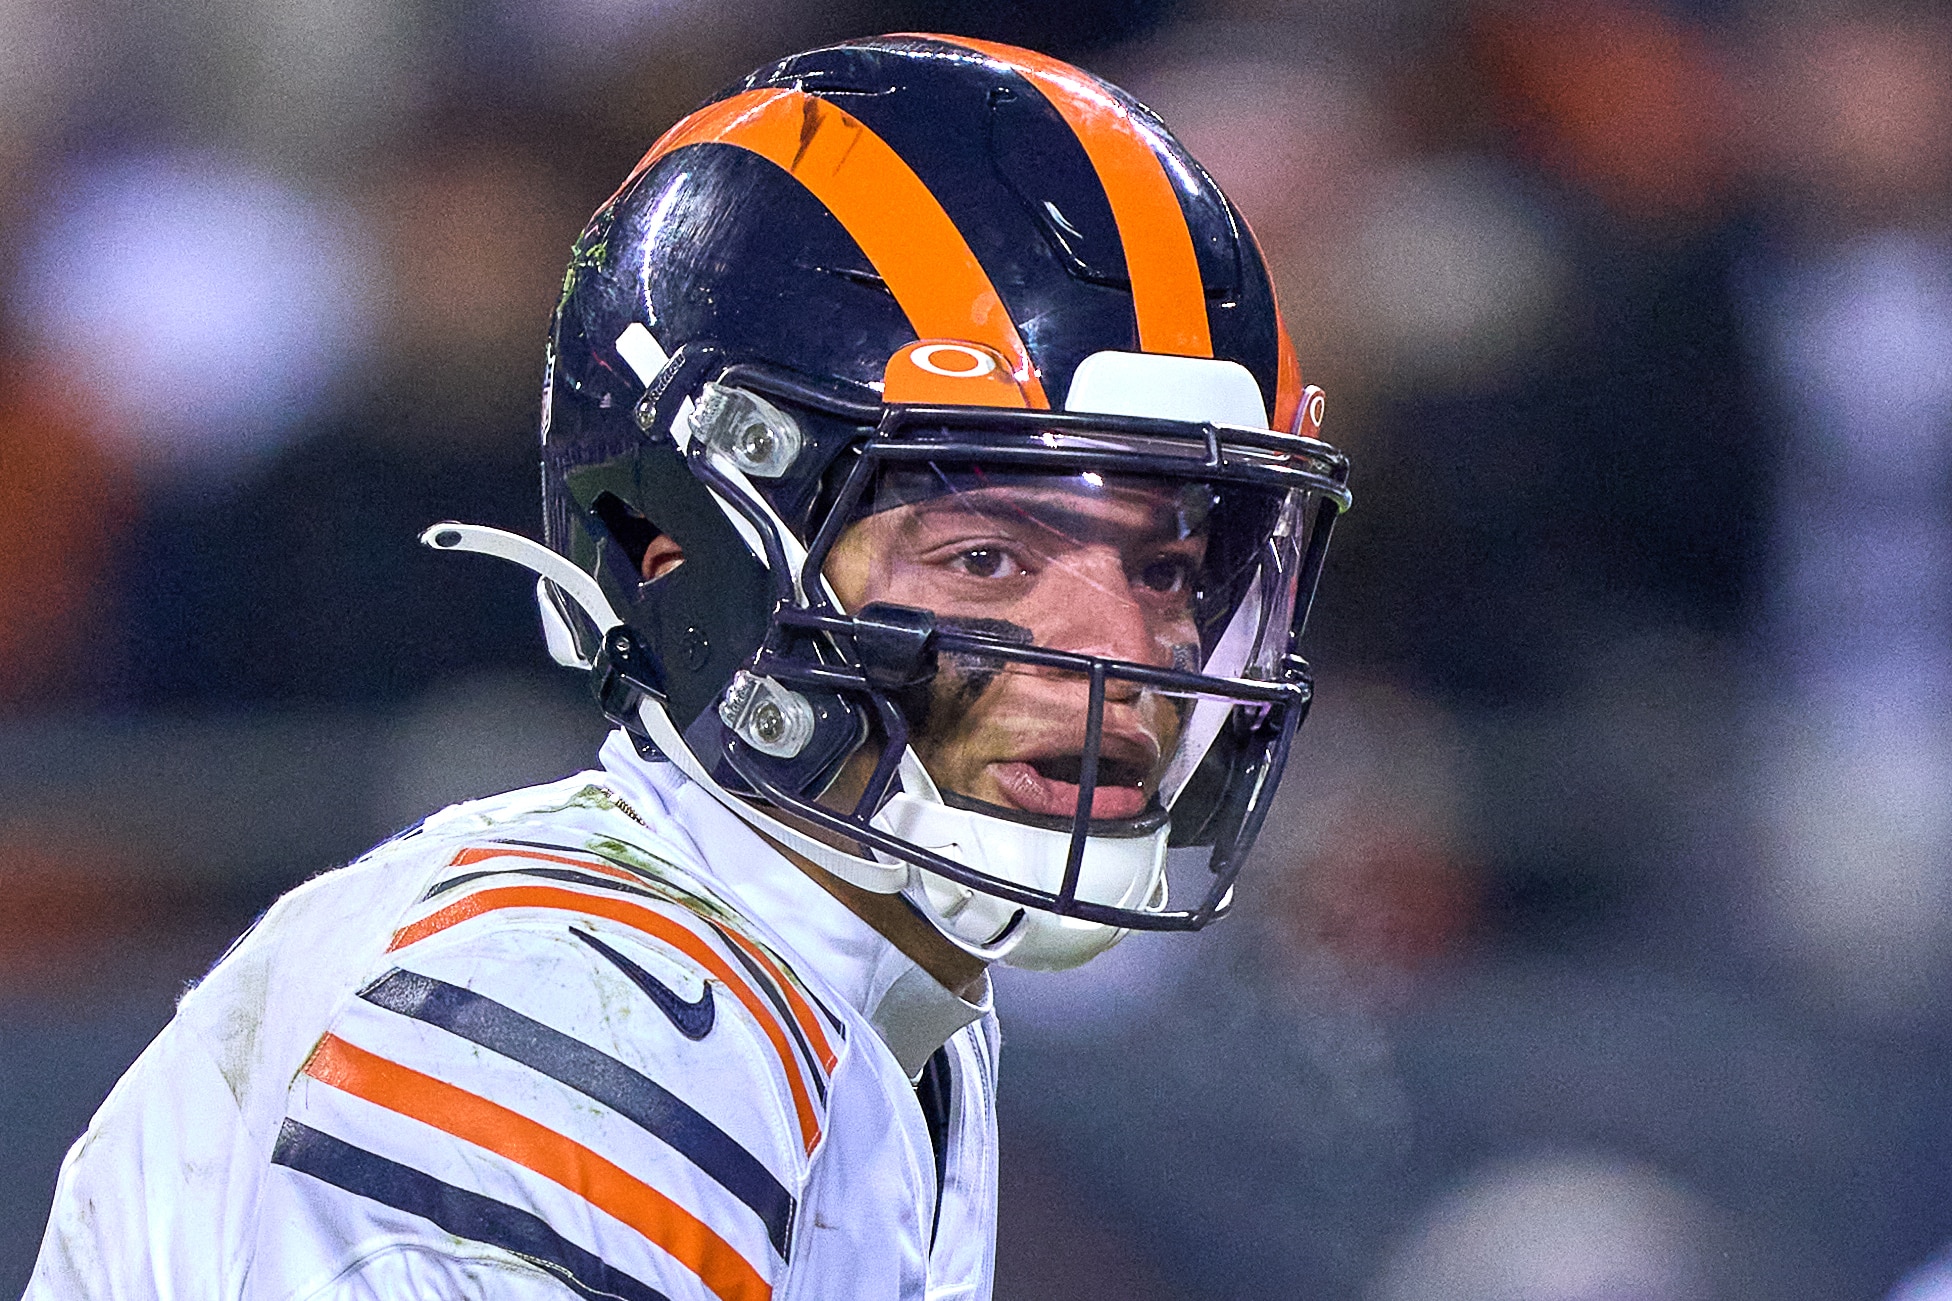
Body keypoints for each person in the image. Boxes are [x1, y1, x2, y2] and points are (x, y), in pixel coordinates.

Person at [25, 33, 1350, 1301]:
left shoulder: (862, 978)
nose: (1125, 648)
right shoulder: (586, 1000)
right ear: (681, 553)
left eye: (1169, 566)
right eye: (988, 560)